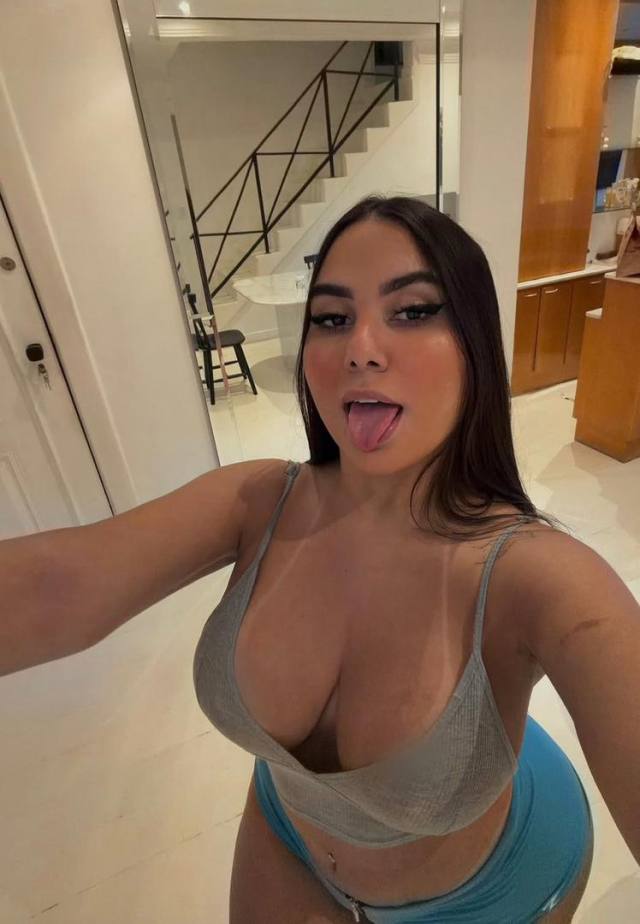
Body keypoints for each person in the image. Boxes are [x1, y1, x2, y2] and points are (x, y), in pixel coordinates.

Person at [1, 196, 639, 923]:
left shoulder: (542, 576)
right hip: (291, 830)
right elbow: (56, 587)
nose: (360, 348)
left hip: (489, 888)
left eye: (412, 311)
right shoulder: (256, 500)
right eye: (332, 318)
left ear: (476, 344)